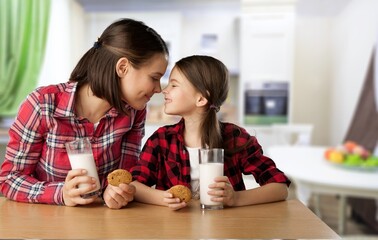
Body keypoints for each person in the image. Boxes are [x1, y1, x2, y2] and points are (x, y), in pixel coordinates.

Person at [0, 18, 169, 209]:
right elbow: (10, 180)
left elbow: (124, 175)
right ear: (123, 67)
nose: (158, 89)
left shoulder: (133, 112)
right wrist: (61, 193)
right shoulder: (42, 104)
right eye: (154, 78)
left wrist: (116, 192)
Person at [131, 55, 291, 210]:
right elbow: (134, 185)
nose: (164, 90)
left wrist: (236, 198)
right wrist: (163, 198)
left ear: (201, 99)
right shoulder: (161, 139)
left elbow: (279, 188)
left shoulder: (235, 138)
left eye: (173, 85)